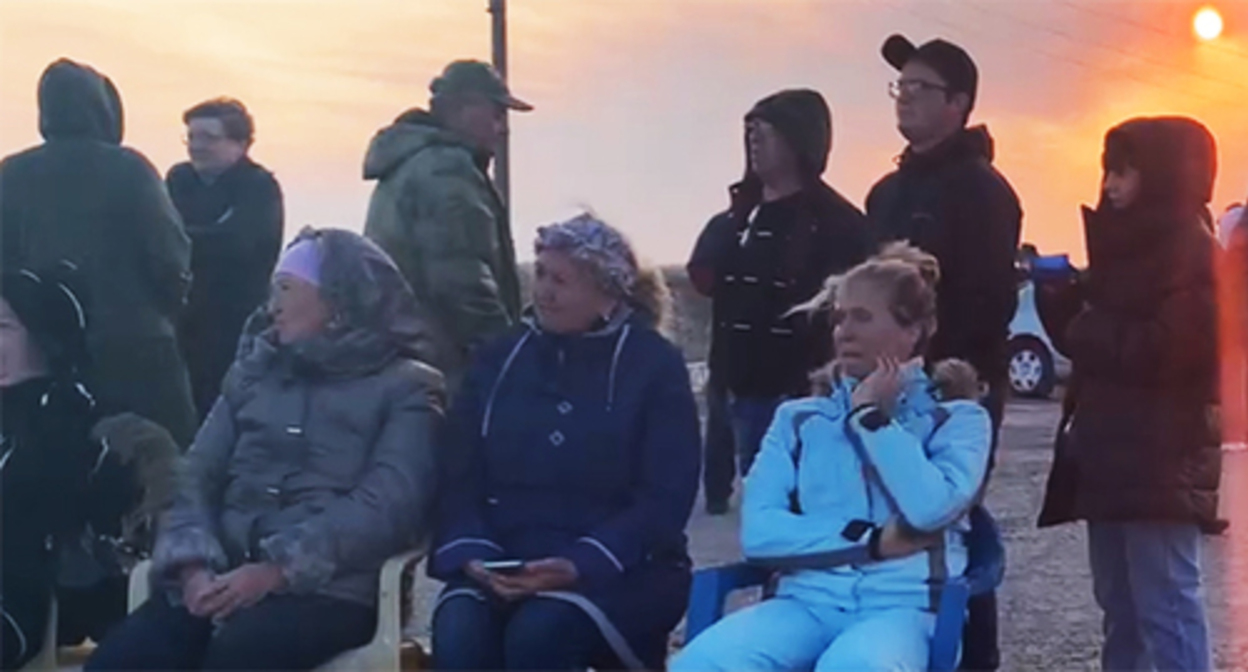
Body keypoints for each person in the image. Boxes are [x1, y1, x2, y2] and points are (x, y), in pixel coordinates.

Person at [85, 229, 445, 672]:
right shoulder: (254, 373)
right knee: (123, 660)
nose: (271, 304)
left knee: (238, 656)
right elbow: (194, 475)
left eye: (286, 288)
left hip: (330, 590)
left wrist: (277, 570)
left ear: (336, 303)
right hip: (221, 578)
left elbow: (390, 505)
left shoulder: (406, 386)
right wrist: (193, 567)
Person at [672, 243, 991, 672]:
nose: (844, 331)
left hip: (901, 610)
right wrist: (871, 541)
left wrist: (870, 419)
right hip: (803, 604)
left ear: (914, 330)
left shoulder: (958, 420)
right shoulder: (798, 420)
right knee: (699, 664)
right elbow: (761, 533)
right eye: (839, 317)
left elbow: (930, 509)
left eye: (862, 317)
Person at [429, 214, 701, 671]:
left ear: (608, 295)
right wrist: (474, 554)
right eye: (540, 275)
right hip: (504, 557)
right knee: (460, 629)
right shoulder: (501, 357)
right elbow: (459, 474)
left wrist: (579, 564)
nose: (544, 292)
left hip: (622, 567)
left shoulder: (653, 366)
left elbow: (664, 498)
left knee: (539, 634)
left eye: (561, 280)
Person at [1036, 117, 1222, 672]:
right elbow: (1094, 344)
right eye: (1108, 171)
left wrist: (1087, 324)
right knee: (1121, 606)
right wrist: (1059, 301)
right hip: (1108, 453)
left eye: (1125, 170)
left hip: (1162, 458)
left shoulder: (1194, 251)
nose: (1111, 184)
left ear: (1164, 174)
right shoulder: (1121, 246)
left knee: (1166, 604)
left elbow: (1171, 349)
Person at [864, 35, 1021, 670]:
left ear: (959, 103)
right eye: (900, 87)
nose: (905, 99)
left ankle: (974, 658)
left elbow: (988, 304)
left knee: (952, 527)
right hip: (881, 386)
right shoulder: (883, 194)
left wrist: (933, 375)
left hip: (956, 391)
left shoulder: (985, 192)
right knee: (883, 521)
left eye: (920, 88)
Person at [0, 58, 198, 447]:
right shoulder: (131, 169)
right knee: (161, 466)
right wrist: (168, 310)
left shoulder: (11, 174)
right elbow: (170, 256)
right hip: (137, 350)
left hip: (45, 353)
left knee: (56, 464)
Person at [1, 263, 177, 669]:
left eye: (4, 327)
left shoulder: (91, 428)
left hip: (23, 600)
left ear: (46, 335)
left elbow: (158, 502)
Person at [694, 89, 870, 490]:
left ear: (800, 139)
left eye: (766, 131)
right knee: (760, 511)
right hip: (734, 383)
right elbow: (708, 285)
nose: (754, 140)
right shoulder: (736, 220)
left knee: (798, 507)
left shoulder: (841, 225)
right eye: (750, 132)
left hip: (800, 395)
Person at [363, 59, 531, 396]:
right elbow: (461, 280)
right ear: (463, 108)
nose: (502, 128)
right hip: (443, 371)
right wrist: (509, 358)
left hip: (404, 363)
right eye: (497, 113)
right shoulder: (446, 170)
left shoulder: (408, 163)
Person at [168, 97, 284, 421]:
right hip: (181, 325)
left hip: (235, 327)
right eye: (191, 137)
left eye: (208, 138)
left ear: (241, 143)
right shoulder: (178, 181)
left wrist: (184, 237)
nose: (196, 146)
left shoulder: (259, 188)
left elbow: (241, 246)